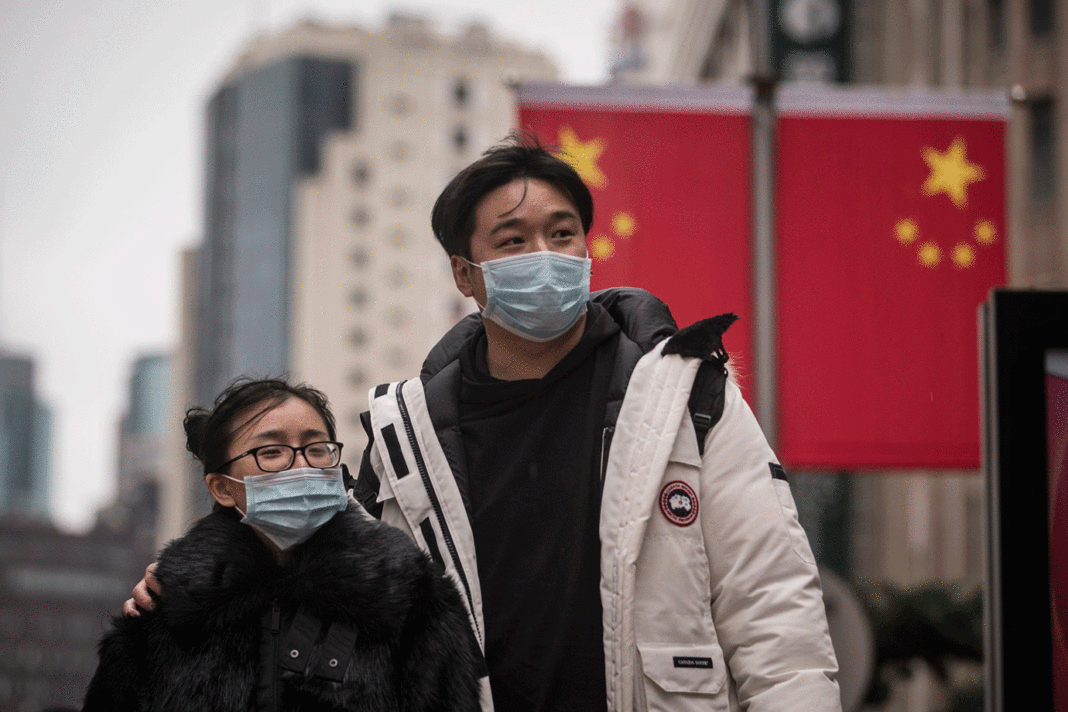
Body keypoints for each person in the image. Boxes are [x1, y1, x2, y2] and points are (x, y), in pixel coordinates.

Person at [129, 135, 840, 712]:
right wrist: (197, 583)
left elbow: (771, 600)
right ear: (465, 275)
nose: (545, 257)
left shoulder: (689, 394)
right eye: (513, 240)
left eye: (563, 234)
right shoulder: (407, 437)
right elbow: (327, 591)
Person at [91, 377, 480, 711]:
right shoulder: (165, 612)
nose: (302, 467)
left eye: (316, 449)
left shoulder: (410, 597)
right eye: (271, 452)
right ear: (223, 488)